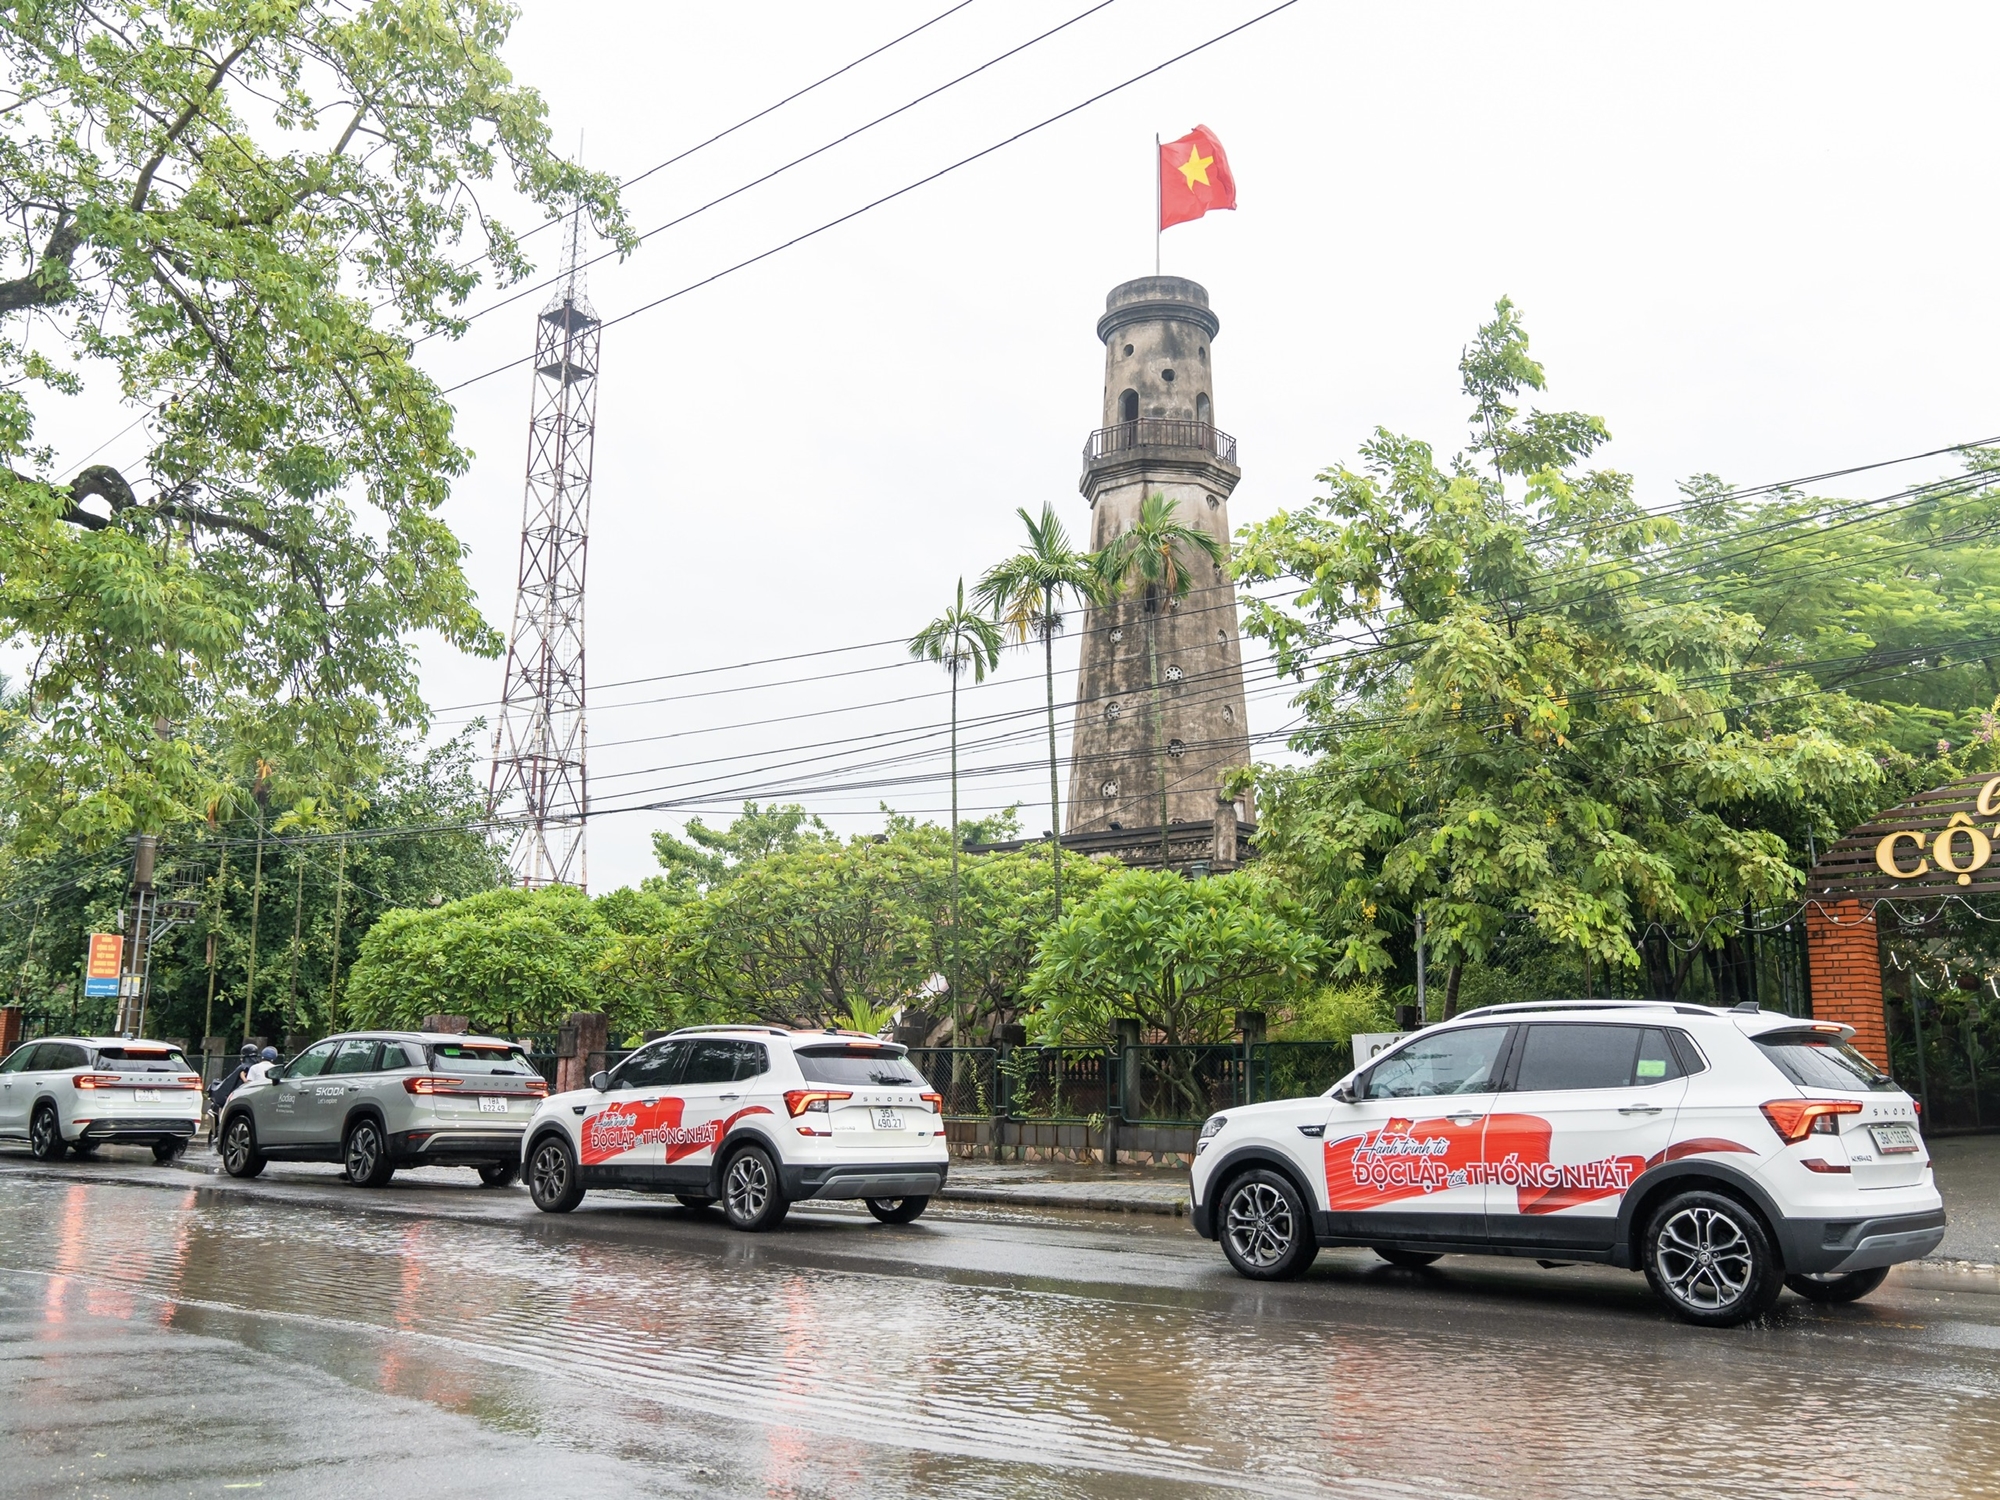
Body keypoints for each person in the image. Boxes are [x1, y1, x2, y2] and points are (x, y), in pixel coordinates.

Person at [207, 1043, 259, 1144]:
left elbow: (227, 1084)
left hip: (238, 1098)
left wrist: (215, 1089)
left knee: (224, 1107)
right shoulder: (259, 1067)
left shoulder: (243, 1068)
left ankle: (222, 1130)